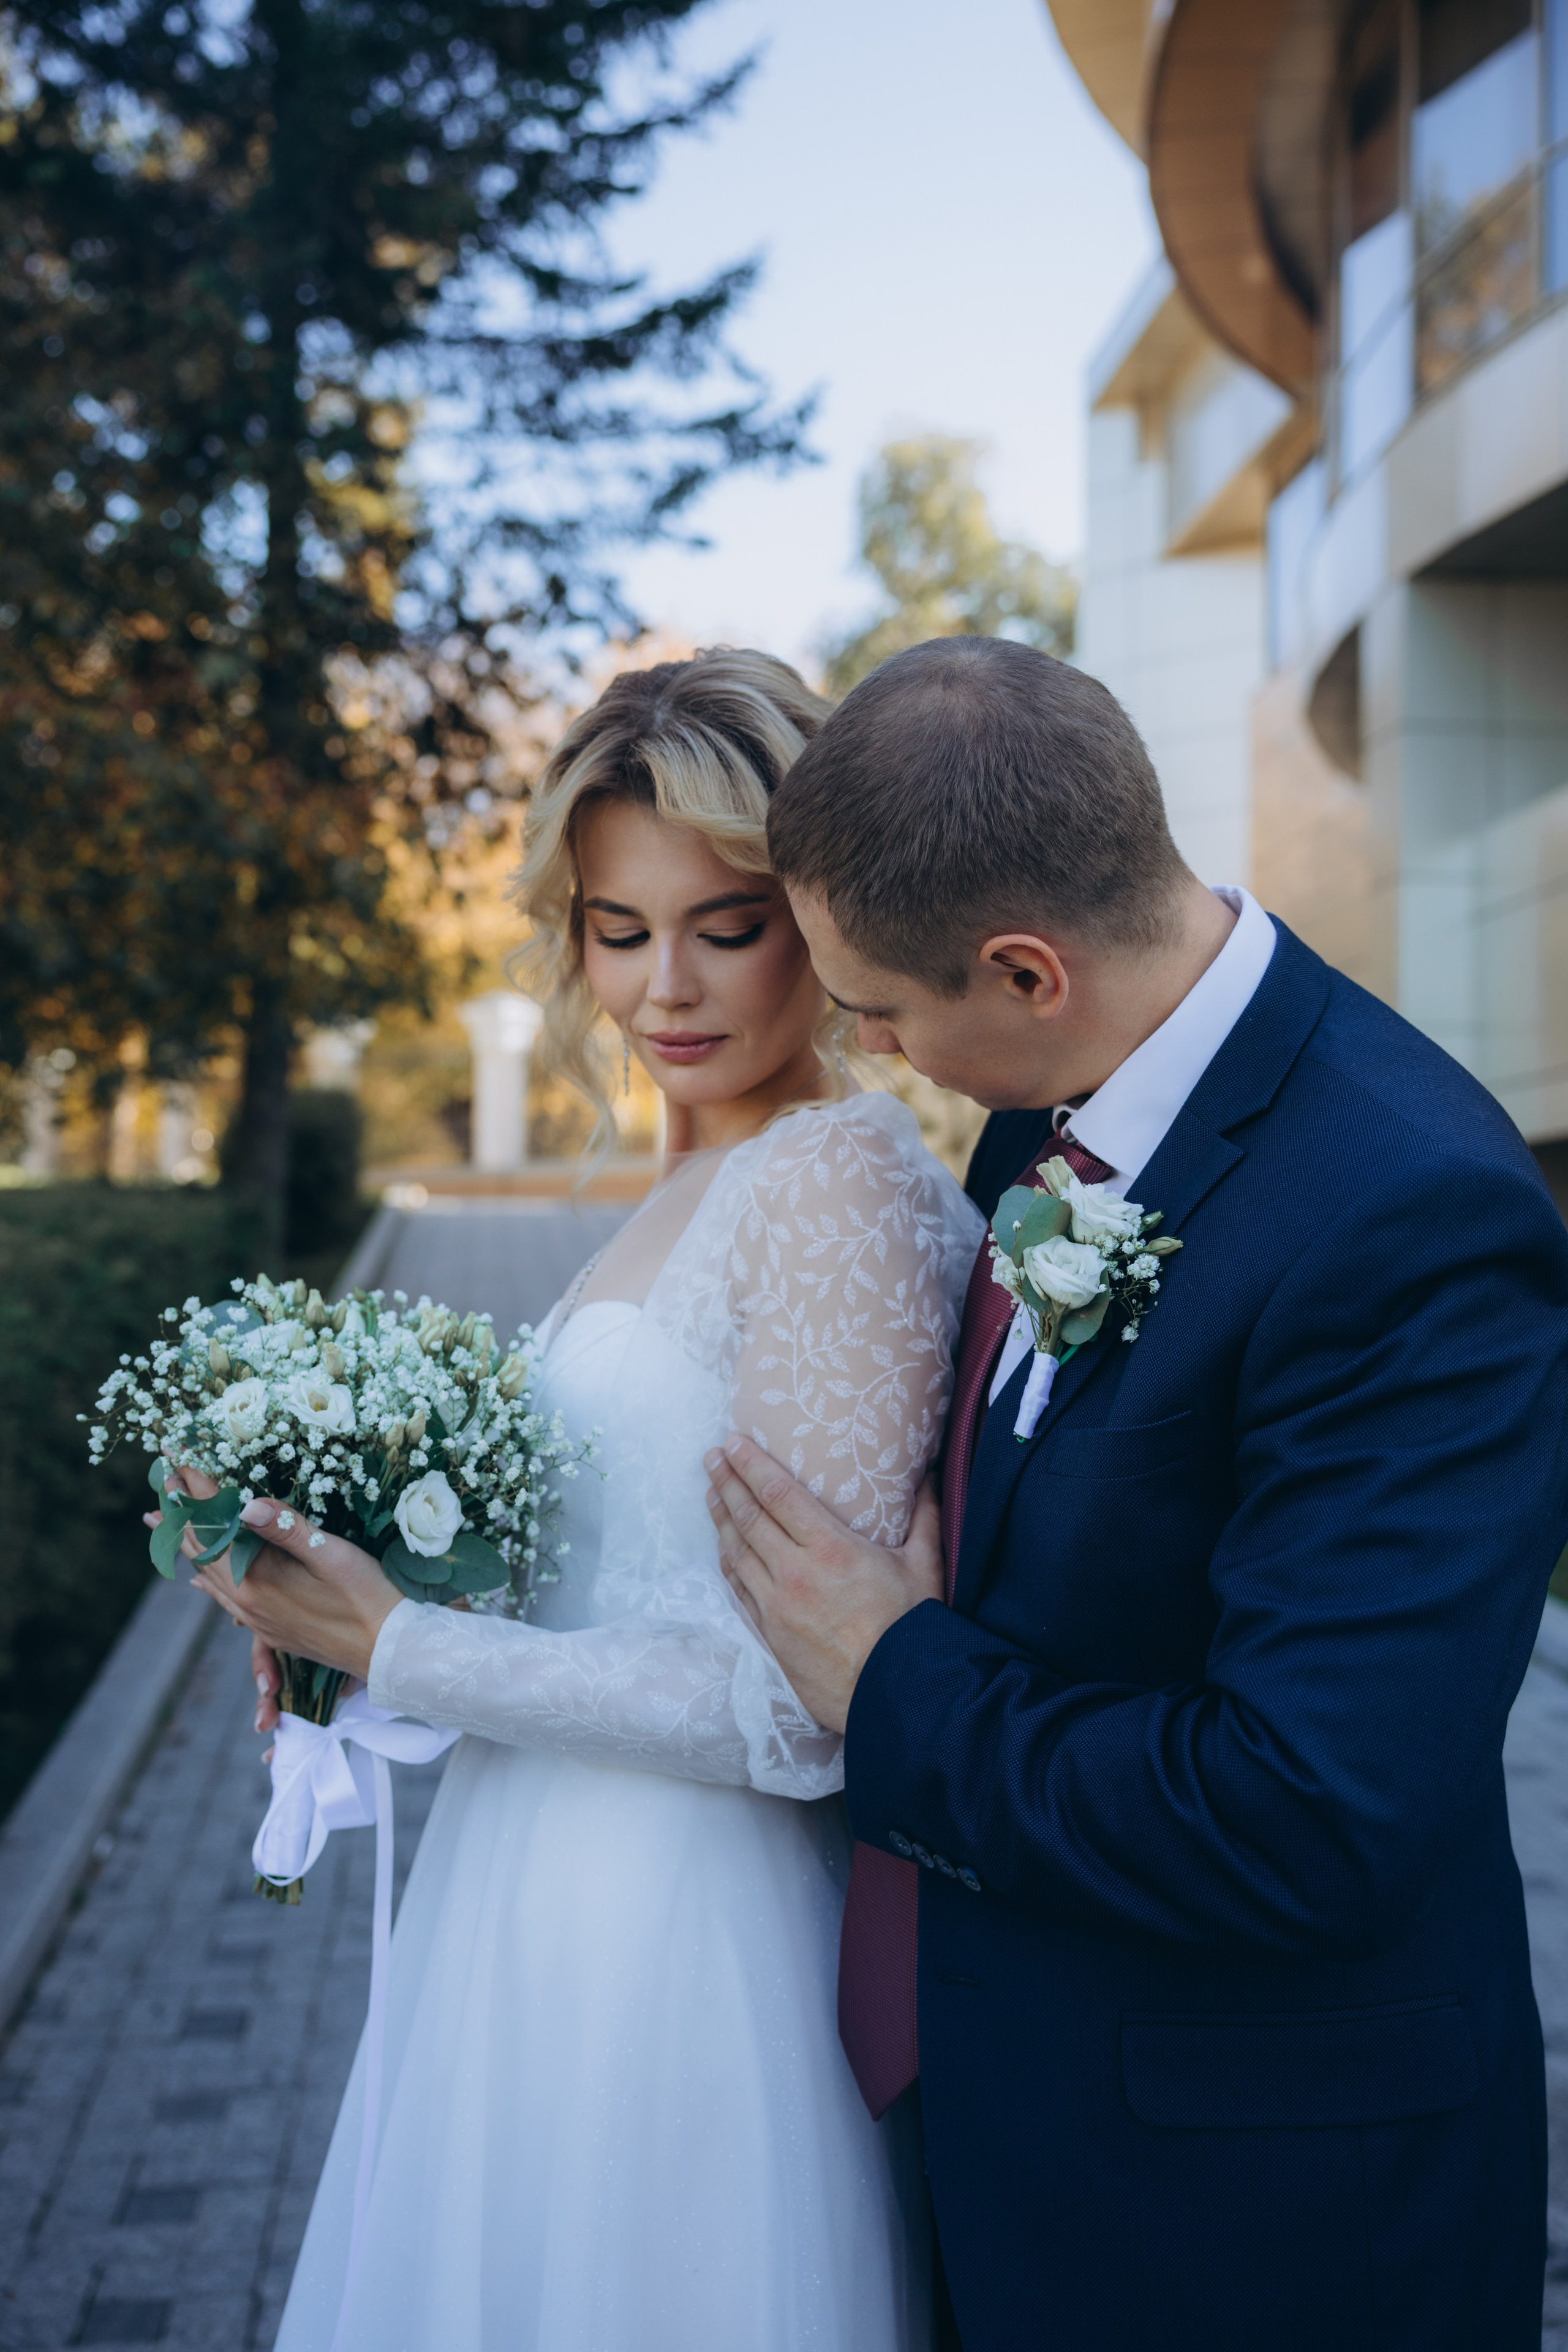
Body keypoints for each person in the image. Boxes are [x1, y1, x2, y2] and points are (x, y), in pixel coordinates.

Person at [705, 634, 1568, 2352]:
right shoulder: (1040, 1111)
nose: (866, 1042)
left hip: (1266, 2217)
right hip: (1027, 2128)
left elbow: (1308, 1816)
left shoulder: (1417, 1215)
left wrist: (895, 1676)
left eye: (881, 1007)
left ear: (1026, 970)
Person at [184, 650, 983, 2352]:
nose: (664, 988)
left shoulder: (835, 1180)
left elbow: (802, 1706)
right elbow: (620, 1574)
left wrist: (405, 1648)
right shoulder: (696, 1170)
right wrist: (344, 1609)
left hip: (689, 1939)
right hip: (536, 1892)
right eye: (620, 932)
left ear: (821, 917)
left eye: (726, 926)